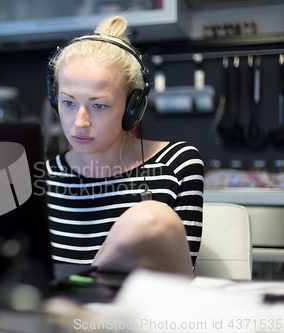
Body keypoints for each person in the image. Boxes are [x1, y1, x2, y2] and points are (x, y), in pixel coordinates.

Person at [45, 15, 203, 276]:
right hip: (55, 314)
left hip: (140, 314)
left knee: (149, 218)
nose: (79, 122)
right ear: (55, 99)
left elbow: (176, 280)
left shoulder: (177, 164)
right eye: (68, 102)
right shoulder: (43, 176)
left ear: (133, 109)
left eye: (99, 105)